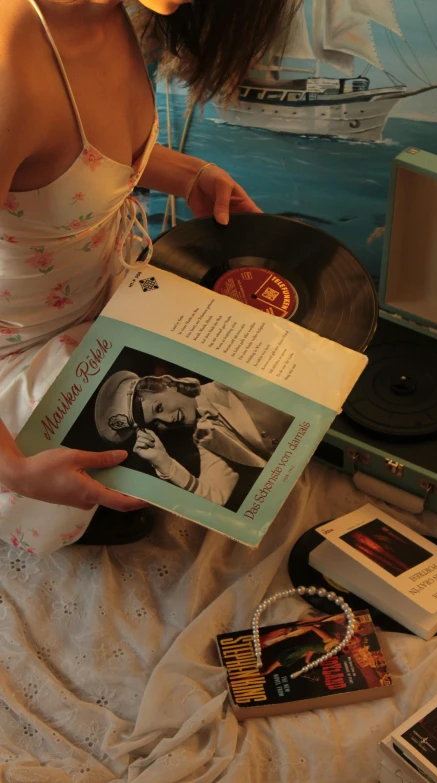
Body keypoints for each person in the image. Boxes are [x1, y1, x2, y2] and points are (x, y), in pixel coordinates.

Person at [0, 0, 297, 556]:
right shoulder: (7, 57)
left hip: (106, 290)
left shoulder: (110, 10)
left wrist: (188, 173)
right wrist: (15, 472)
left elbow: (66, 155)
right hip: (18, 352)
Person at [94, 371, 294, 507]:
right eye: (155, 424)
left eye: (159, 408)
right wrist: (164, 462)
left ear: (167, 384)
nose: (167, 420)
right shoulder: (206, 440)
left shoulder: (228, 380)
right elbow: (215, 497)